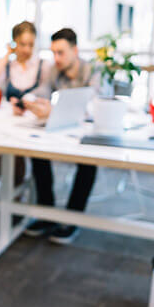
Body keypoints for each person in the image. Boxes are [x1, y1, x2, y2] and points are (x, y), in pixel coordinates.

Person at [21, 28, 99, 244]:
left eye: (61, 52)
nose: (56, 58)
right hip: (61, 130)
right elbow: (42, 90)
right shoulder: (54, 70)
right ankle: (48, 216)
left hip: (87, 132)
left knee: (88, 162)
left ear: (75, 50)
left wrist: (53, 110)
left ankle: (71, 220)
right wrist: (27, 100)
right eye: (53, 52)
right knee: (37, 154)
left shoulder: (93, 70)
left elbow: (94, 105)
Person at [0, 21, 52, 206]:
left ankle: (15, 193)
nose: (27, 49)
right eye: (22, 44)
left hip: (33, 122)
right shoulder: (9, 66)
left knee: (19, 152)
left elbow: (46, 91)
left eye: (30, 44)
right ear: (14, 43)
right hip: (11, 120)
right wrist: (8, 53)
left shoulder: (42, 66)